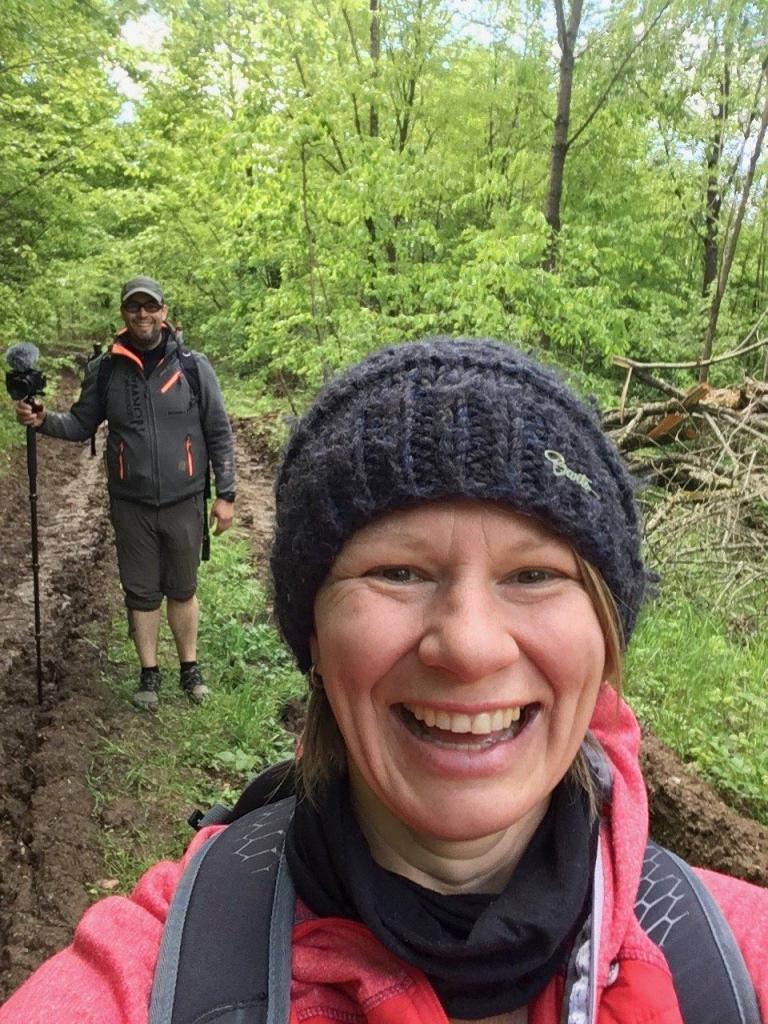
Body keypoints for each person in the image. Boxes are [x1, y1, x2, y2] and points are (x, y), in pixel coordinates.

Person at [2, 337, 766, 1023]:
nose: (469, 647)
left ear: (605, 637)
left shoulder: (731, 966)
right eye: (398, 571)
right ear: (315, 639)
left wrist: (223, 484)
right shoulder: (153, 981)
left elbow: (221, 435)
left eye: (535, 574)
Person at [14, 276, 236, 709]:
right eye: (134, 307)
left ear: (164, 312)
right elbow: (81, 424)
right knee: (140, 591)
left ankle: (189, 668)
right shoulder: (106, 370)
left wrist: (225, 494)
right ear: (123, 314)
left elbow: (219, 431)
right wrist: (42, 420)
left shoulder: (193, 366)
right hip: (130, 502)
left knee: (183, 588)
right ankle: (149, 673)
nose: (142, 315)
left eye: (150, 307)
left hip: (185, 498)